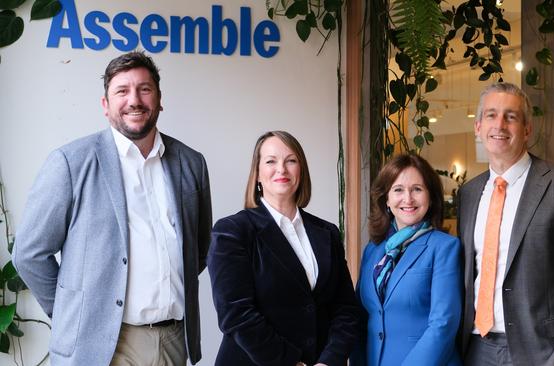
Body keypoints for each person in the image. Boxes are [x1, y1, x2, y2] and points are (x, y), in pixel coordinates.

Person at [12, 51, 212, 366]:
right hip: (103, 346)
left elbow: (198, 250)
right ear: (106, 106)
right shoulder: (70, 163)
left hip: (174, 339)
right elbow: (29, 253)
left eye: (145, 89)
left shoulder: (191, 163)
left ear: (159, 99)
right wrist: (74, 315)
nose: (134, 100)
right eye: (122, 91)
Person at [458, 82, 554, 366]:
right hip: (476, 350)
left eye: (510, 117)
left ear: (527, 129)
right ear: (477, 127)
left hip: (543, 353)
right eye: (490, 115)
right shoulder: (469, 193)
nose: (499, 124)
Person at [208, 130, 360, 366]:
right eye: (271, 161)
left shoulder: (327, 233)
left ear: (301, 170)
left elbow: (346, 309)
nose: (282, 169)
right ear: (257, 174)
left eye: (291, 160)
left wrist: (329, 361)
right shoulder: (232, 231)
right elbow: (236, 315)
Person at [352, 153, 462, 366]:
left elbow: (443, 324)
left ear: (430, 198)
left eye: (417, 189)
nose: (408, 199)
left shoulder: (444, 247)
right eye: (398, 190)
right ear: (387, 198)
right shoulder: (373, 251)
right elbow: (361, 317)